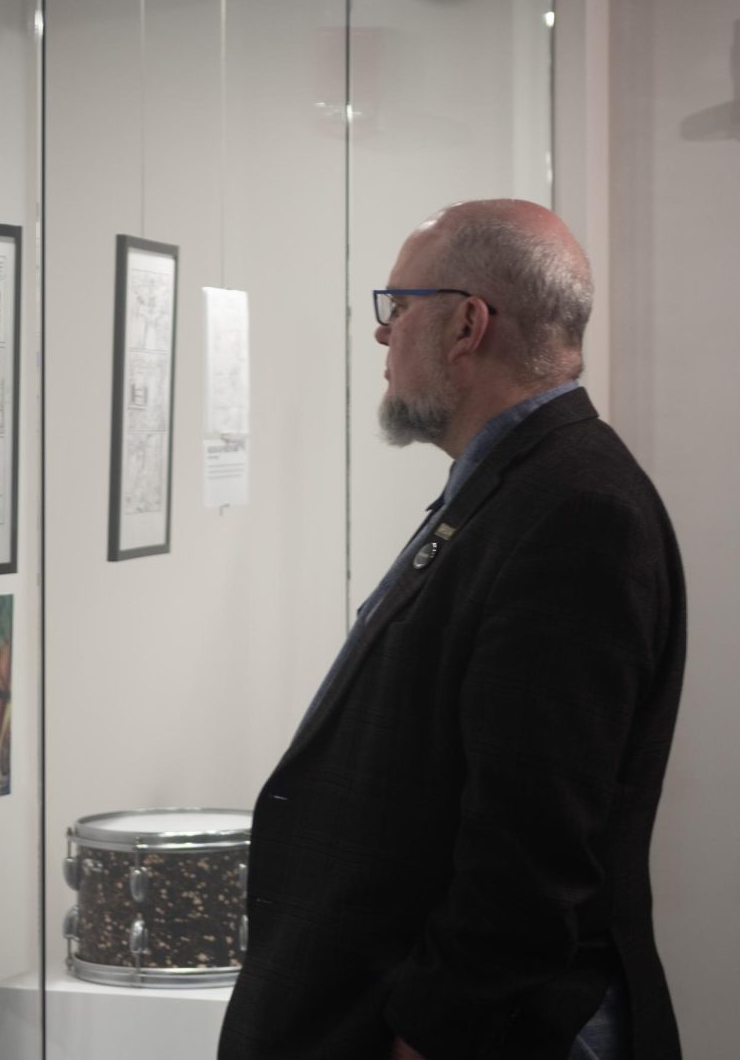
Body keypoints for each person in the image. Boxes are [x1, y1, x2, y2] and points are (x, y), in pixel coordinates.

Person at [219, 199, 686, 1060]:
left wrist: (427, 1035)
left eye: (395, 309)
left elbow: (532, 849)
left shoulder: (576, 510)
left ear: (468, 324)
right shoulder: (522, 486)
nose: (382, 337)